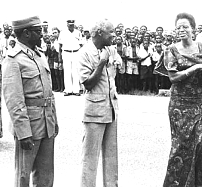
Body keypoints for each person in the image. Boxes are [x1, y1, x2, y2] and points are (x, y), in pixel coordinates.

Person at [162, 12, 202, 187]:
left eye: (185, 26)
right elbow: (173, 77)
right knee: (180, 146)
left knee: (200, 143)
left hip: (199, 103)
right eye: (178, 27)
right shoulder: (171, 50)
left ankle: (196, 182)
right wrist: (195, 68)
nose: (181, 30)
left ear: (193, 29)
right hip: (179, 105)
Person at [2, 15, 58, 187]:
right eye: (38, 31)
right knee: (23, 176)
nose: (42, 35)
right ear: (26, 33)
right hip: (29, 126)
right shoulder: (13, 60)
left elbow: (48, 93)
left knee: (46, 175)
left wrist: (54, 120)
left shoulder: (39, 55)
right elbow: (14, 101)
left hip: (46, 122)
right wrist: (23, 132)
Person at [76, 18, 119, 187]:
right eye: (111, 32)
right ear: (100, 33)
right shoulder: (85, 52)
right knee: (90, 158)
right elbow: (87, 83)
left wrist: (112, 60)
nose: (113, 35)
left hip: (111, 108)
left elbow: (116, 70)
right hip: (94, 111)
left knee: (111, 157)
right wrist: (102, 62)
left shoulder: (109, 49)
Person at [58, 19, 83, 96]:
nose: (71, 26)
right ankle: (68, 90)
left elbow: (81, 45)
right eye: (69, 24)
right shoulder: (63, 33)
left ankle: (76, 90)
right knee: (67, 71)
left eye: (72, 24)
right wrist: (59, 58)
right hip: (66, 52)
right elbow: (60, 46)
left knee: (76, 71)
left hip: (76, 52)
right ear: (67, 24)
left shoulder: (78, 33)